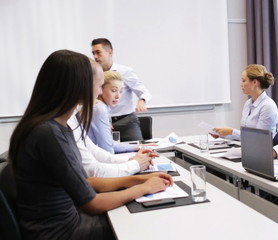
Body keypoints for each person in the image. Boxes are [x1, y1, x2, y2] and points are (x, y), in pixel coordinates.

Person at [8, 50, 172, 239]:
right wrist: (144, 188)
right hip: (63, 232)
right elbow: (92, 204)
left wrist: (137, 179)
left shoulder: (55, 126)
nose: (101, 91)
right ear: (80, 86)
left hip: (69, 222)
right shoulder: (49, 133)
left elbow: (85, 183)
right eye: (100, 85)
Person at [91, 38, 152, 141]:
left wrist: (142, 100)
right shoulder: (93, 73)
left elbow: (144, 92)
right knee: (105, 152)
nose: (95, 57)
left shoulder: (125, 72)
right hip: (103, 120)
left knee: (138, 149)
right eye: (93, 53)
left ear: (110, 52)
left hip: (126, 122)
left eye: (98, 52)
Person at [213, 64, 278, 140]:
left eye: (244, 80)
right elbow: (245, 136)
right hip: (247, 146)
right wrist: (222, 134)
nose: (241, 84)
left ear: (254, 82)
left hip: (260, 150)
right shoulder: (248, 103)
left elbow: (260, 138)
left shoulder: (268, 106)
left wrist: (231, 131)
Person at [88, 71, 144, 154]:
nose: (118, 96)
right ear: (101, 89)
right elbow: (107, 149)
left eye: (121, 91)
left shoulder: (101, 106)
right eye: (114, 90)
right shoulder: (100, 109)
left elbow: (110, 144)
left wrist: (137, 147)